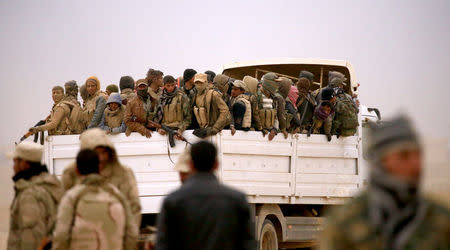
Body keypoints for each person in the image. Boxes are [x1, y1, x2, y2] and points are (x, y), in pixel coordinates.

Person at [320, 115, 450, 250]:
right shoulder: (346, 221)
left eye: (418, 154)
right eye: (404, 155)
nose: (416, 165)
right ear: (381, 161)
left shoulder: (440, 220)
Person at [155, 141, 256, 250]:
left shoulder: (173, 201)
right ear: (217, 164)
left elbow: (163, 245)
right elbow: (248, 244)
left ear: (190, 164)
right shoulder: (237, 200)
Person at [53, 149, 138, 250]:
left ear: (77, 170)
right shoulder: (116, 194)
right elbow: (132, 234)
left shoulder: (71, 197)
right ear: (99, 168)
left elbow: (61, 235)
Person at [61, 128, 142, 226]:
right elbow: (64, 210)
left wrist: (127, 238)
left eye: (104, 152)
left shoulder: (123, 173)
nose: (101, 158)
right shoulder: (71, 173)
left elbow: (134, 209)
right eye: (96, 153)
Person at [7, 141, 63, 250]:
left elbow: (32, 237)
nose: (13, 167)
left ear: (24, 164)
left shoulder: (30, 194)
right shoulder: (49, 185)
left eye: (15, 162)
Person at [192, 73, 230, 138]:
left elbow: (225, 110)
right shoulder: (195, 96)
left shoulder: (213, 94)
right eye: (196, 83)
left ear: (206, 82)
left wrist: (215, 128)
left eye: (201, 83)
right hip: (204, 132)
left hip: (216, 133)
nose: (198, 85)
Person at [256, 72, 287, 140]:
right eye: (275, 82)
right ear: (269, 83)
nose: (277, 85)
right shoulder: (257, 96)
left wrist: (274, 130)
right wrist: (261, 129)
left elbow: (276, 117)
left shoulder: (274, 99)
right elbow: (254, 115)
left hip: (269, 135)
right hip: (257, 135)